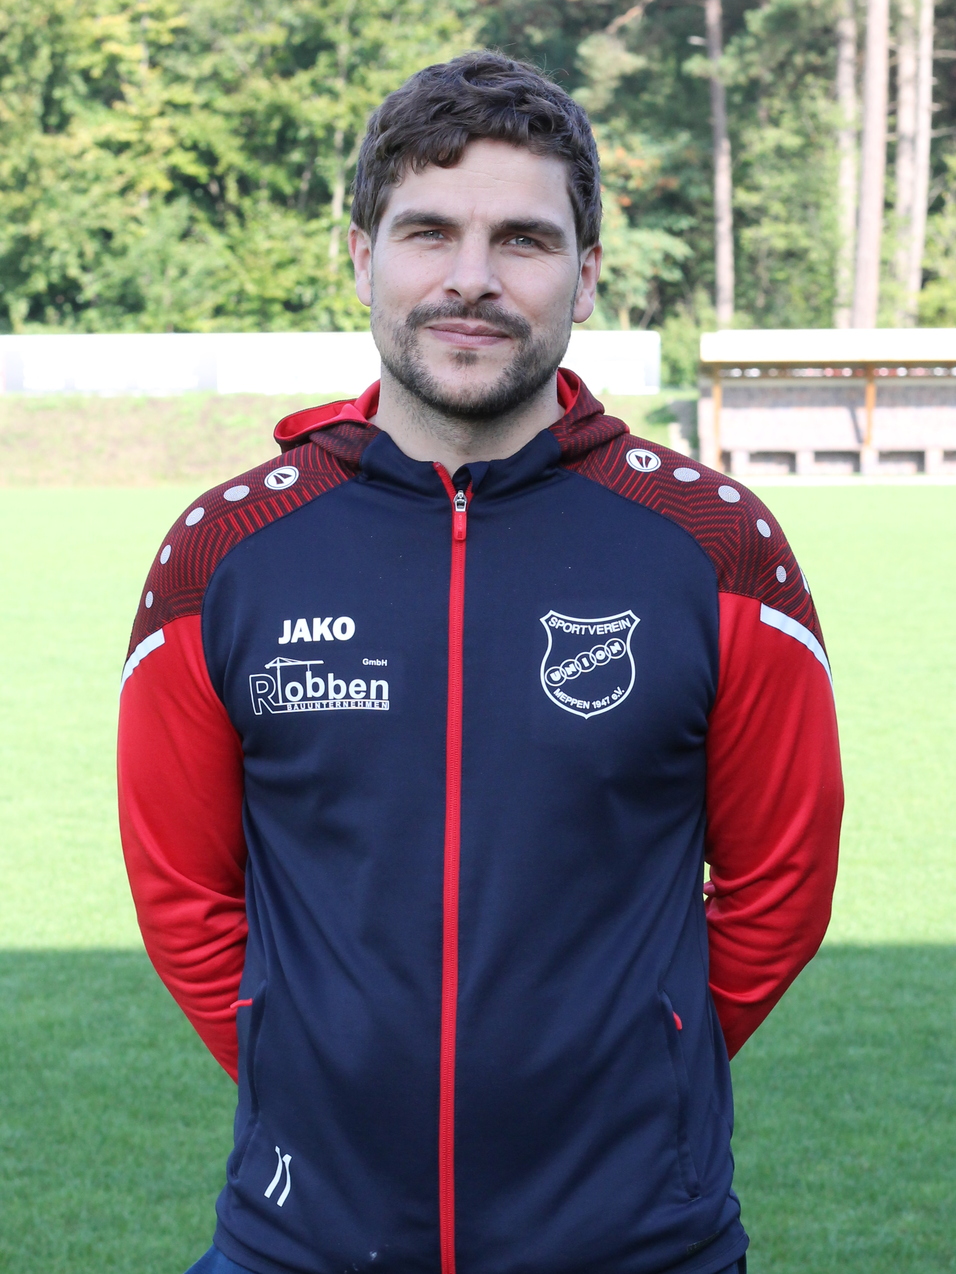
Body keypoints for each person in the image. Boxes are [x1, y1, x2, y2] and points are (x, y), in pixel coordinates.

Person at [117, 51, 842, 1274]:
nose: (469, 279)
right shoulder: (226, 553)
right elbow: (184, 894)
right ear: (359, 255)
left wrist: (640, 1053)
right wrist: (315, 1060)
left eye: (521, 238)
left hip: (638, 1243)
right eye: (426, 232)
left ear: (586, 272)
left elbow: (779, 881)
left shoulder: (715, 547)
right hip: (299, 1240)